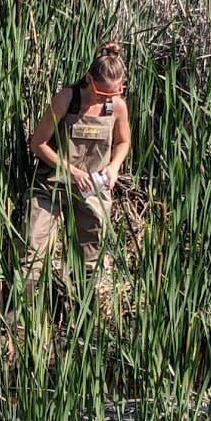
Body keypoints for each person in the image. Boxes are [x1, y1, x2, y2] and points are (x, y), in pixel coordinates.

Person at [23, 42, 131, 291]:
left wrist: (114, 167)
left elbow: (123, 141)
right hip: (51, 185)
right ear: (88, 80)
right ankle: (19, 323)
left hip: (92, 190)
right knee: (32, 253)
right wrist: (72, 171)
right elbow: (38, 144)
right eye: (102, 94)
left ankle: (87, 319)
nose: (109, 99)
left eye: (115, 93)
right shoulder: (66, 100)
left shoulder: (117, 106)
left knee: (93, 259)